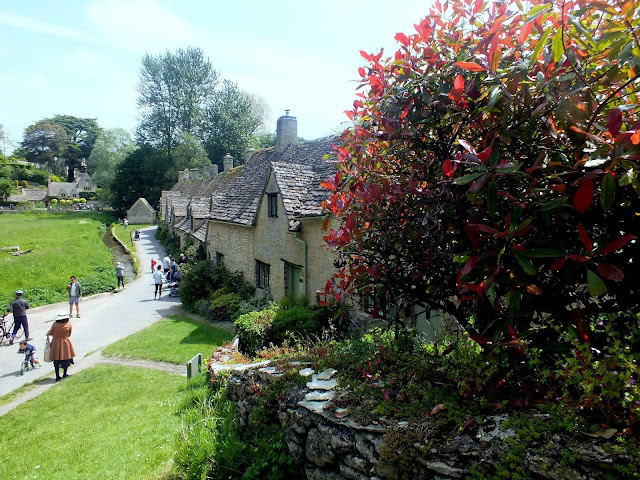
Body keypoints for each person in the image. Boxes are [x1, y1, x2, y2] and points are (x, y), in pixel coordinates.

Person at [47, 312, 76, 381]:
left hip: (56, 343)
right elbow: (69, 334)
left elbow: (50, 333)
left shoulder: (55, 325)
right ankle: (64, 373)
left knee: (56, 359)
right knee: (66, 358)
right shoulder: (69, 325)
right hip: (65, 342)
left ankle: (57, 376)